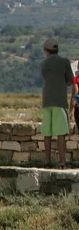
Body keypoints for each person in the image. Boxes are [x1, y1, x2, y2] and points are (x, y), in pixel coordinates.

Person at [40, 38, 76, 166]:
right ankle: (62, 161)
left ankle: (47, 160)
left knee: (47, 134)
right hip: (60, 101)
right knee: (61, 134)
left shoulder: (43, 64)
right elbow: (69, 81)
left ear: (46, 51)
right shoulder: (65, 62)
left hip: (47, 100)